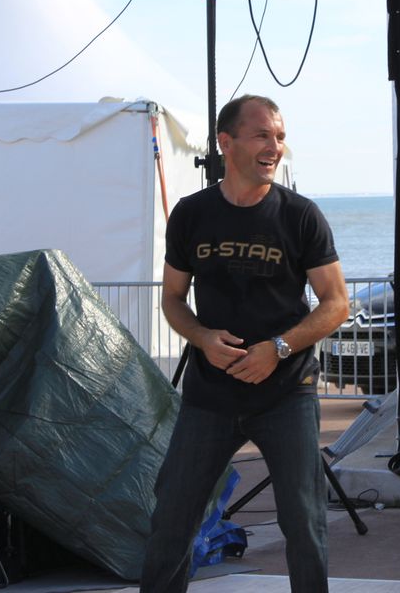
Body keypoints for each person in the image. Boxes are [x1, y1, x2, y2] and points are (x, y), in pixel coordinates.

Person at [140, 94, 349, 593]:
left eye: (279, 136)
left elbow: (336, 302)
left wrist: (276, 348)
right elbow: (172, 299)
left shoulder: (301, 216)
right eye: (262, 135)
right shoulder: (191, 215)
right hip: (210, 395)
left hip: (286, 393)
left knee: (304, 521)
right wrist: (202, 337)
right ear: (225, 142)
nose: (275, 146)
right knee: (173, 514)